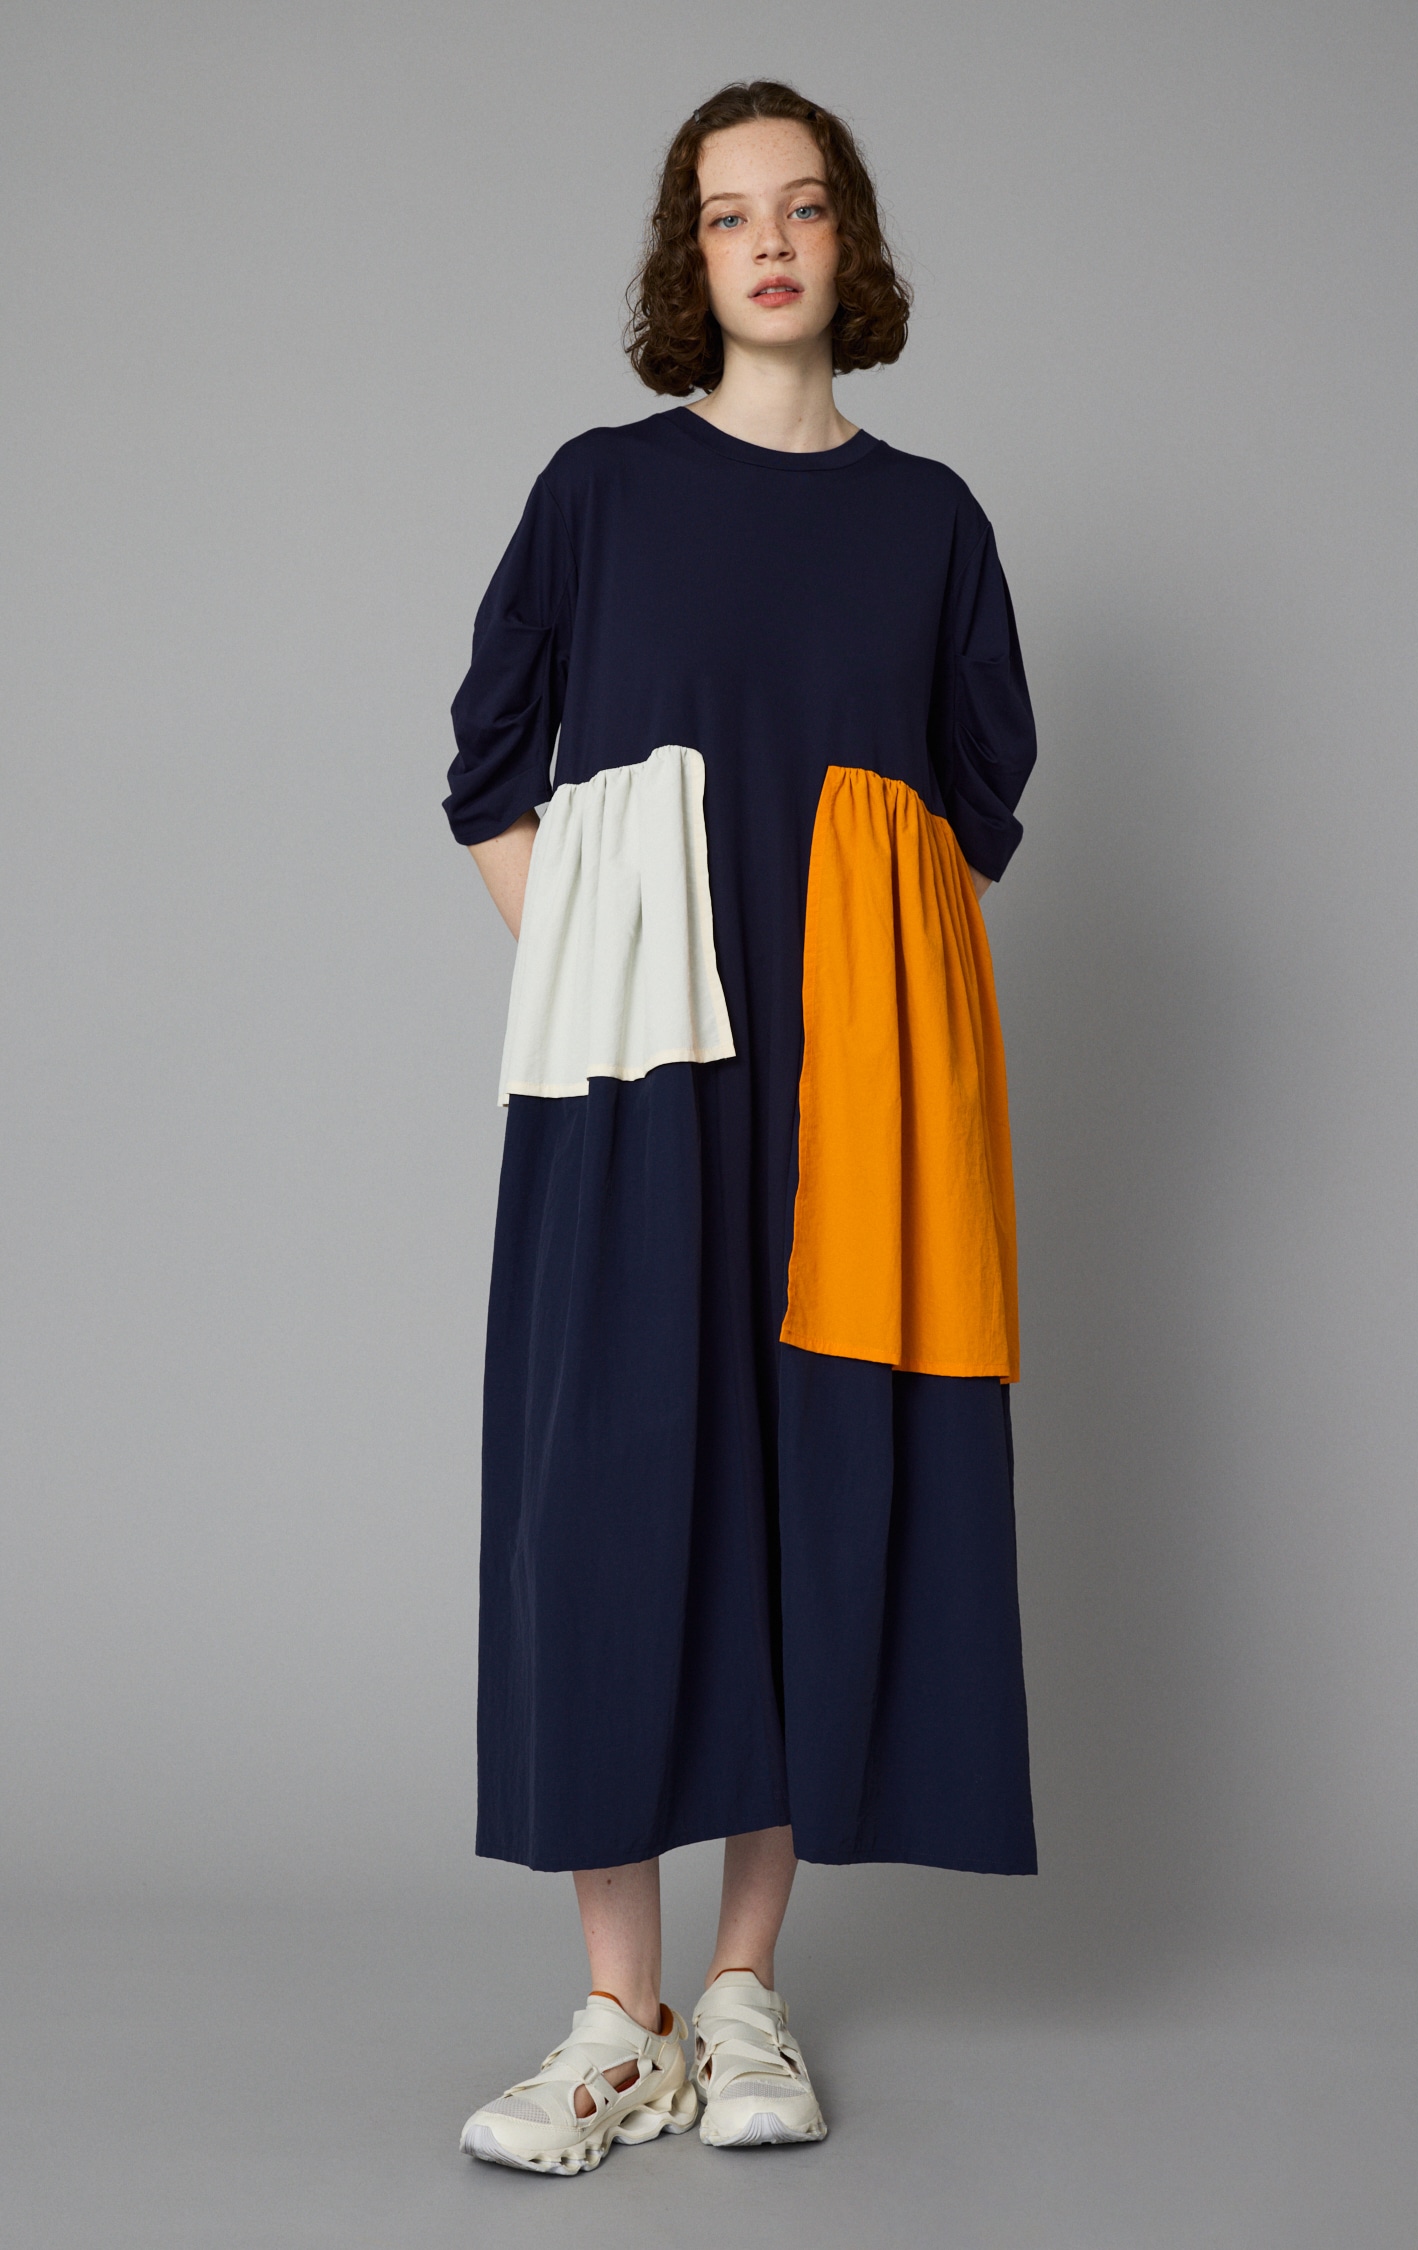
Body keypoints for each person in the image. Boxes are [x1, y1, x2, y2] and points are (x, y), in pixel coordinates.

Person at [443, 78, 1038, 2176]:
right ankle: (617, 2015)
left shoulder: (931, 522)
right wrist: (597, 981)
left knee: (808, 1487)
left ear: (847, 241)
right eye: (726, 215)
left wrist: (871, 1012)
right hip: (640, 1084)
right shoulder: (601, 492)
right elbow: (487, 765)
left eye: (800, 207)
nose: (767, 243)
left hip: (845, 1103)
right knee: (608, 1496)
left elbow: (975, 809)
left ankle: (746, 1991)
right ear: (686, 260)